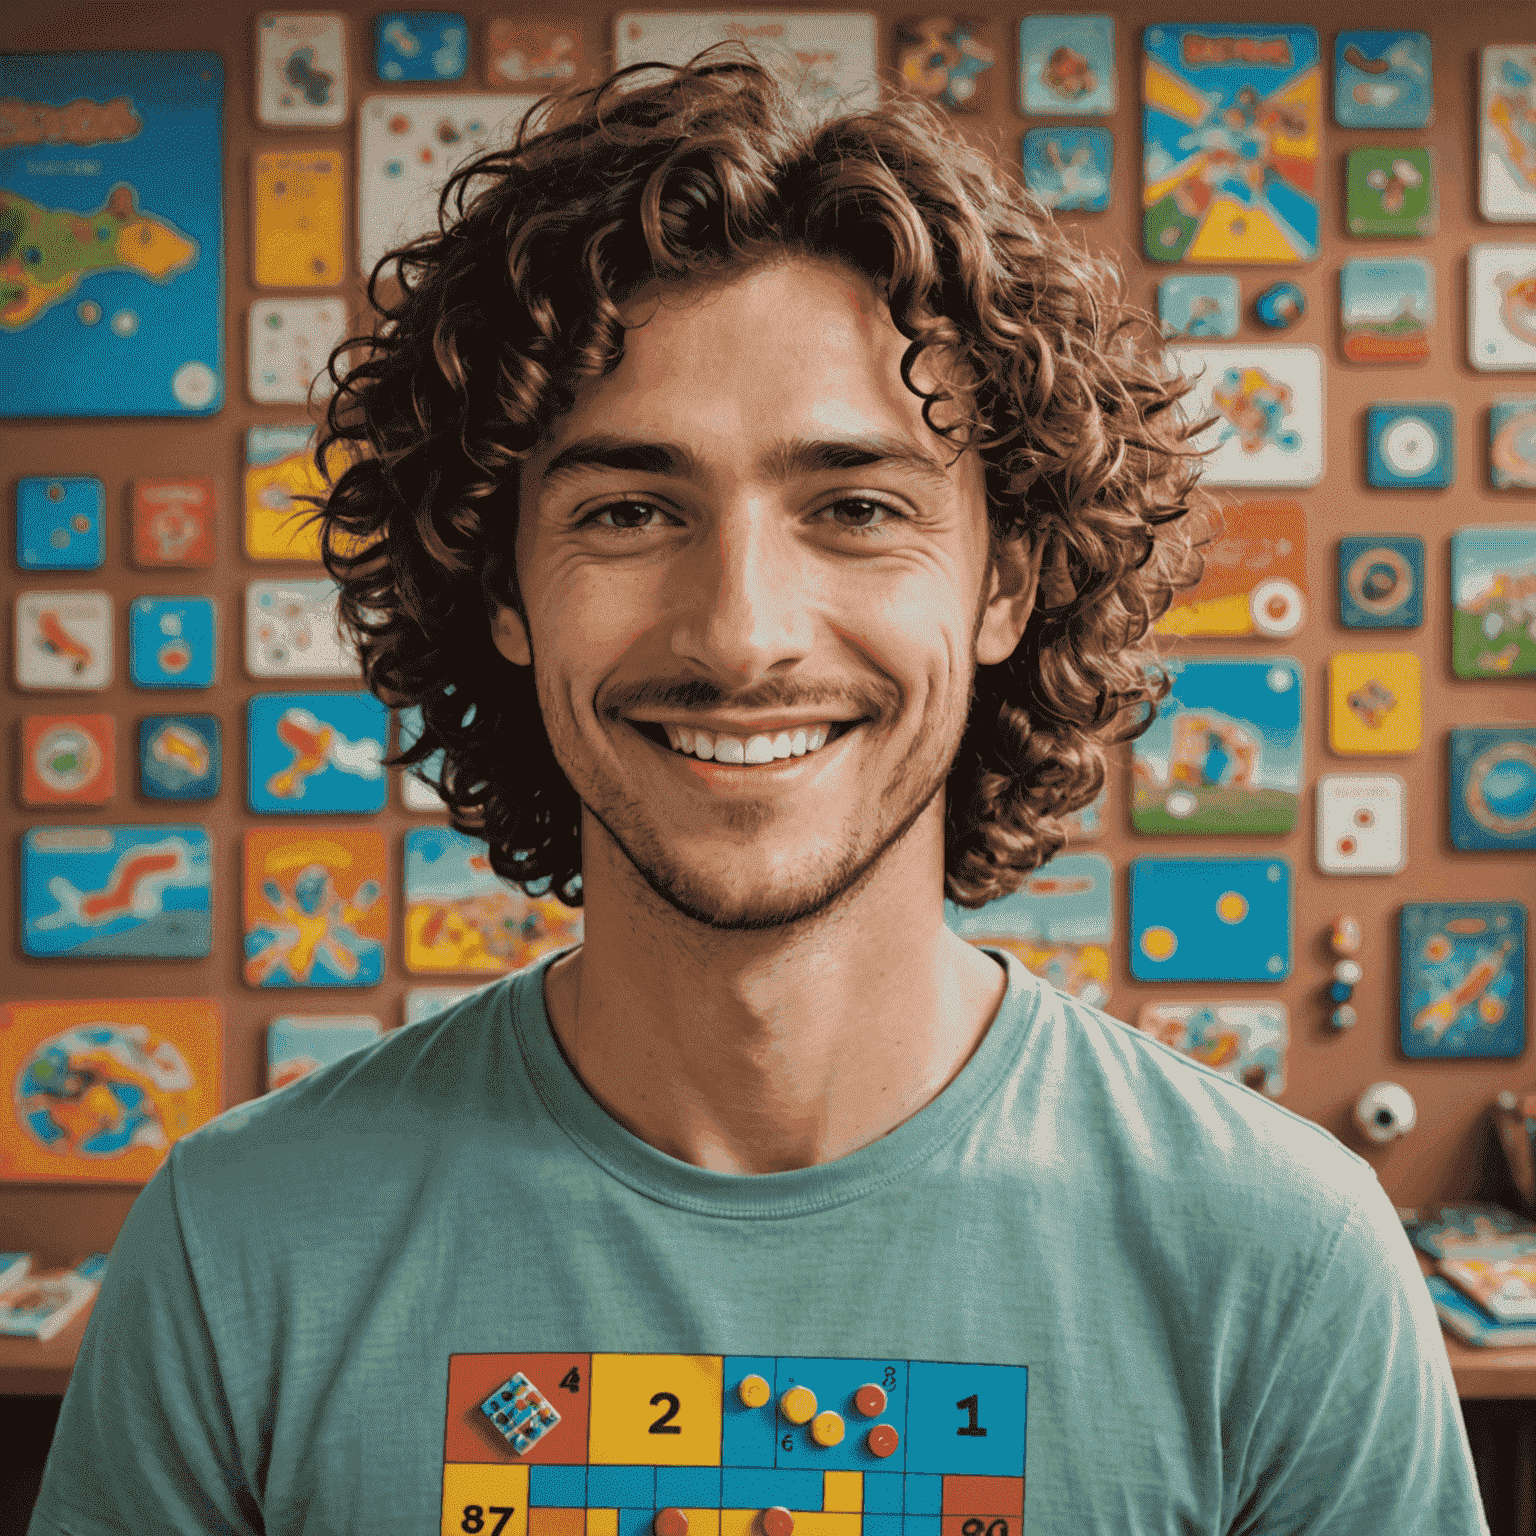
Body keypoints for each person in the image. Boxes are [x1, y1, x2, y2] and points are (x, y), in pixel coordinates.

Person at [29, 49, 1488, 1536]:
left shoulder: (1283, 1261)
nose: (740, 633)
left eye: (855, 508)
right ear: (506, 589)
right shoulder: (241, 1246)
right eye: (630, 509)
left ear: (1009, 582)